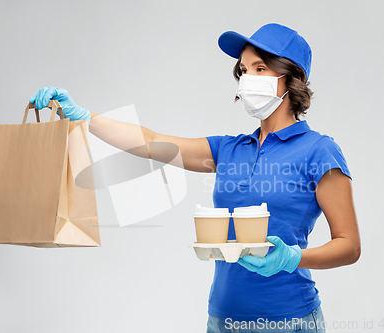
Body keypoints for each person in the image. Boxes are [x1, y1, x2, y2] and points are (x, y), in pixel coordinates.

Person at [29, 23, 360, 333]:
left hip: (289, 321)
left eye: (260, 69)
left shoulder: (319, 151)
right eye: (243, 71)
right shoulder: (229, 149)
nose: (247, 79)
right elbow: (150, 143)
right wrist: (84, 117)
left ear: (292, 78)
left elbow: (349, 246)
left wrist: (293, 257)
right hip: (222, 318)